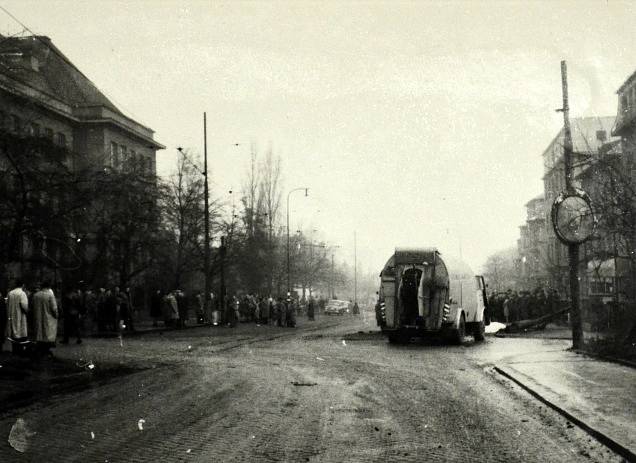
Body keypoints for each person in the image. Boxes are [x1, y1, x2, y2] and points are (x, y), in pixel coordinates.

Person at [32, 281, 58, 358]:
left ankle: (40, 349)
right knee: (48, 334)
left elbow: (32, 306)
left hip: (38, 318)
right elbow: (54, 308)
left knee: (40, 334)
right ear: (49, 286)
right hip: (49, 318)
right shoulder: (50, 295)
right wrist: (56, 315)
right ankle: (46, 350)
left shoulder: (35, 295)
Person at [6, 280, 29, 355]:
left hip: (11, 316)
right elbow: (24, 306)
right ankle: (21, 352)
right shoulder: (22, 293)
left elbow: (7, 304)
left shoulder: (10, 293)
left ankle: (15, 351)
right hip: (20, 316)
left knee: (14, 333)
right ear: (22, 285)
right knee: (21, 334)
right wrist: (27, 311)